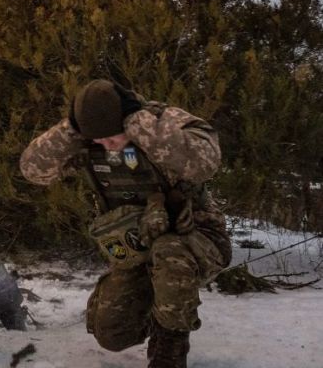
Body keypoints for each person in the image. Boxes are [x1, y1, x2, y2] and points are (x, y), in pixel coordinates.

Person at [20, 80, 232, 368]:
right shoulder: (89, 142)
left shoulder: (163, 122)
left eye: (113, 138)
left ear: (128, 120)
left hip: (197, 241)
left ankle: (170, 345)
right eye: (100, 141)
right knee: (111, 332)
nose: (108, 147)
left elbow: (206, 163)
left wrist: (140, 127)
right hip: (136, 246)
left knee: (170, 253)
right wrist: (72, 127)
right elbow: (33, 170)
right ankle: (160, 314)